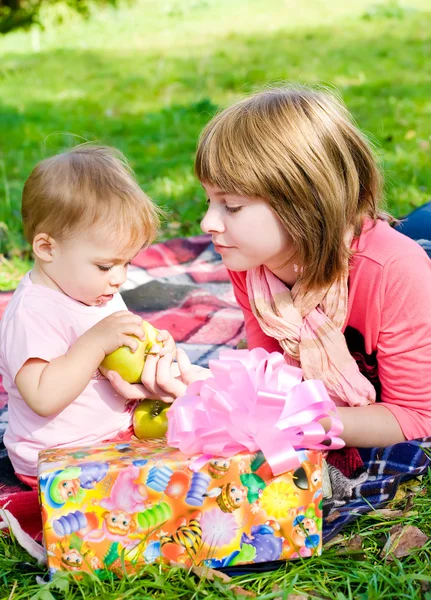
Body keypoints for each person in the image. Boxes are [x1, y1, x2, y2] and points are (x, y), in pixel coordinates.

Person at [109, 85, 431, 447]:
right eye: (209, 201)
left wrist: (300, 418)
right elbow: (271, 381)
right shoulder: (252, 265)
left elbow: (416, 418)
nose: (207, 223)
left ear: (303, 204)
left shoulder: (395, 271)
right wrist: (198, 389)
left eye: (231, 206)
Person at [0, 144, 174, 488]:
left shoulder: (96, 289)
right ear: (47, 248)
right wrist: (93, 343)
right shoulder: (33, 312)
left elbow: (115, 360)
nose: (120, 278)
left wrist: (150, 348)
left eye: (128, 263)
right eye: (106, 265)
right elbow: (43, 397)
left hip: (114, 438)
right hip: (58, 458)